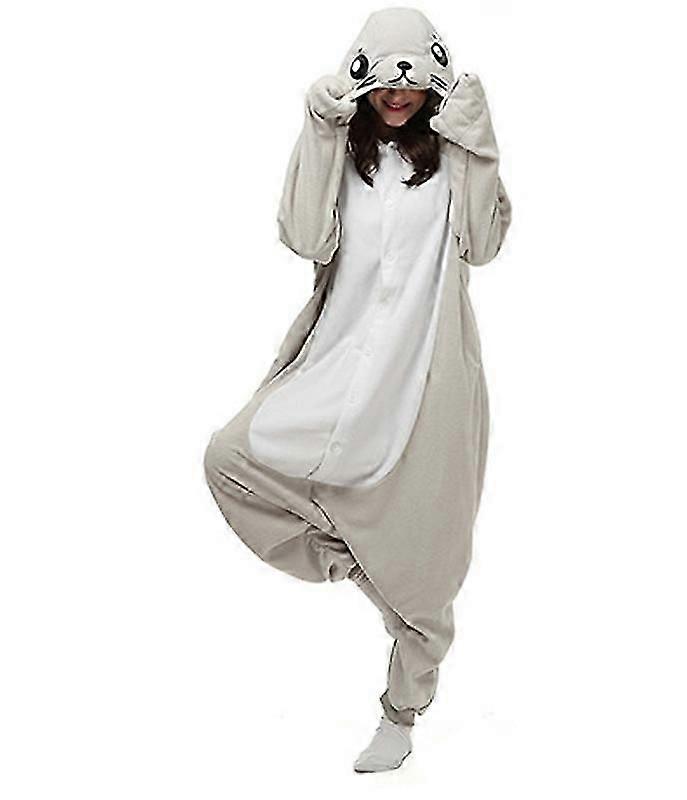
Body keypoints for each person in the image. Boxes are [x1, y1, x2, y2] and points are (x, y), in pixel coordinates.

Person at [203, 7, 511, 773]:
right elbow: (305, 236)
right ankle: (370, 569)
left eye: (412, 81)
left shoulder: (453, 155)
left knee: (431, 570)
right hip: (338, 367)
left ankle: (401, 713)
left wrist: (479, 143)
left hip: (421, 378)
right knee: (230, 458)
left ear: (433, 83)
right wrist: (318, 130)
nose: (397, 95)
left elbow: (482, 243)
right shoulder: (342, 150)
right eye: (384, 80)